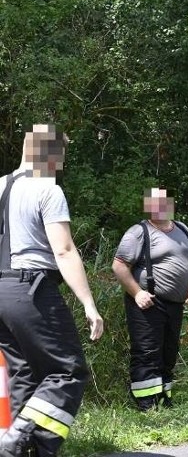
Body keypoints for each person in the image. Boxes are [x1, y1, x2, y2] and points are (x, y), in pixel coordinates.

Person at [0, 124, 104, 457]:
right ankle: (19, 438)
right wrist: (89, 303)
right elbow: (64, 250)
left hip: (1, 291)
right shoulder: (46, 189)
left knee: (25, 373)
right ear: (51, 154)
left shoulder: (0, 185)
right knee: (67, 371)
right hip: (30, 288)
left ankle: (25, 451)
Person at [111, 188, 188, 411]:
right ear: (148, 206)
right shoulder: (138, 232)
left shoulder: (182, 229)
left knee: (168, 353)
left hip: (175, 304)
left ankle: (164, 400)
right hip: (148, 303)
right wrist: (137, 293)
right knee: (147, 352)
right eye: (154, 202)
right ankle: (146, 404)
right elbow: (118, 266)